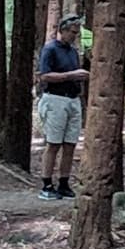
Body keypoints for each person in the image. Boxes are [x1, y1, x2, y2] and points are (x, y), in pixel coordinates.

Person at [32, 16, 87, 198]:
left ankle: (64, 182)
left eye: (76, 33)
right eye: (72, 32)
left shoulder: (72, 52)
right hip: (55, 99)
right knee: (54, 143)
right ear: (62, 30)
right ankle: (47, 184)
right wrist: (71, 75)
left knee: (70, 144)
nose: (74, 36)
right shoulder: (50, 49)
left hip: (73, 99)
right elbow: (44, 76)